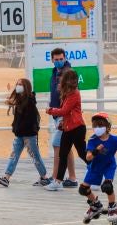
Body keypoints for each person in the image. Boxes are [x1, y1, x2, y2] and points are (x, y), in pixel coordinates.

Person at [0, 78, 51, 188]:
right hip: (19, 134)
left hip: (29, 135)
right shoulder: (20, 99)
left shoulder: (29, 101)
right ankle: (6, 178)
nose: (18, 86)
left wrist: (13, 102)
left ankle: (44, 178)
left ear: (26, 87)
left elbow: (31, 120)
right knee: (13, 156)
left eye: (20, 85)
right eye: (17, 84)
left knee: (35, 156)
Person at [44, 69, 88, 191]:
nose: (70, 82)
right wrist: (63, 122)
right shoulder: (68, 93)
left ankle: (98, 172)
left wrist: (50, 110)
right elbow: (67, 113)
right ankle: (58, 182)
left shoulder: (74, 93)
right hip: (68, 128)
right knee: (63, 154)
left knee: (82, 153)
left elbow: (64, 111)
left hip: (77, 128)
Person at [48, 48, 78, 188]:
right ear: (52, 60)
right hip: (57, 114)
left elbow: (70, 96)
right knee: (67, 147)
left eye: (61, 59)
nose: (59, 61)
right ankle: (72, 178)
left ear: (65, 58)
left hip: (64, 115)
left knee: (57, 146)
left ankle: (56, 178)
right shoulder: (55, 72)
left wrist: (61, 114)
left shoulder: (68, 74)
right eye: (56, 59)